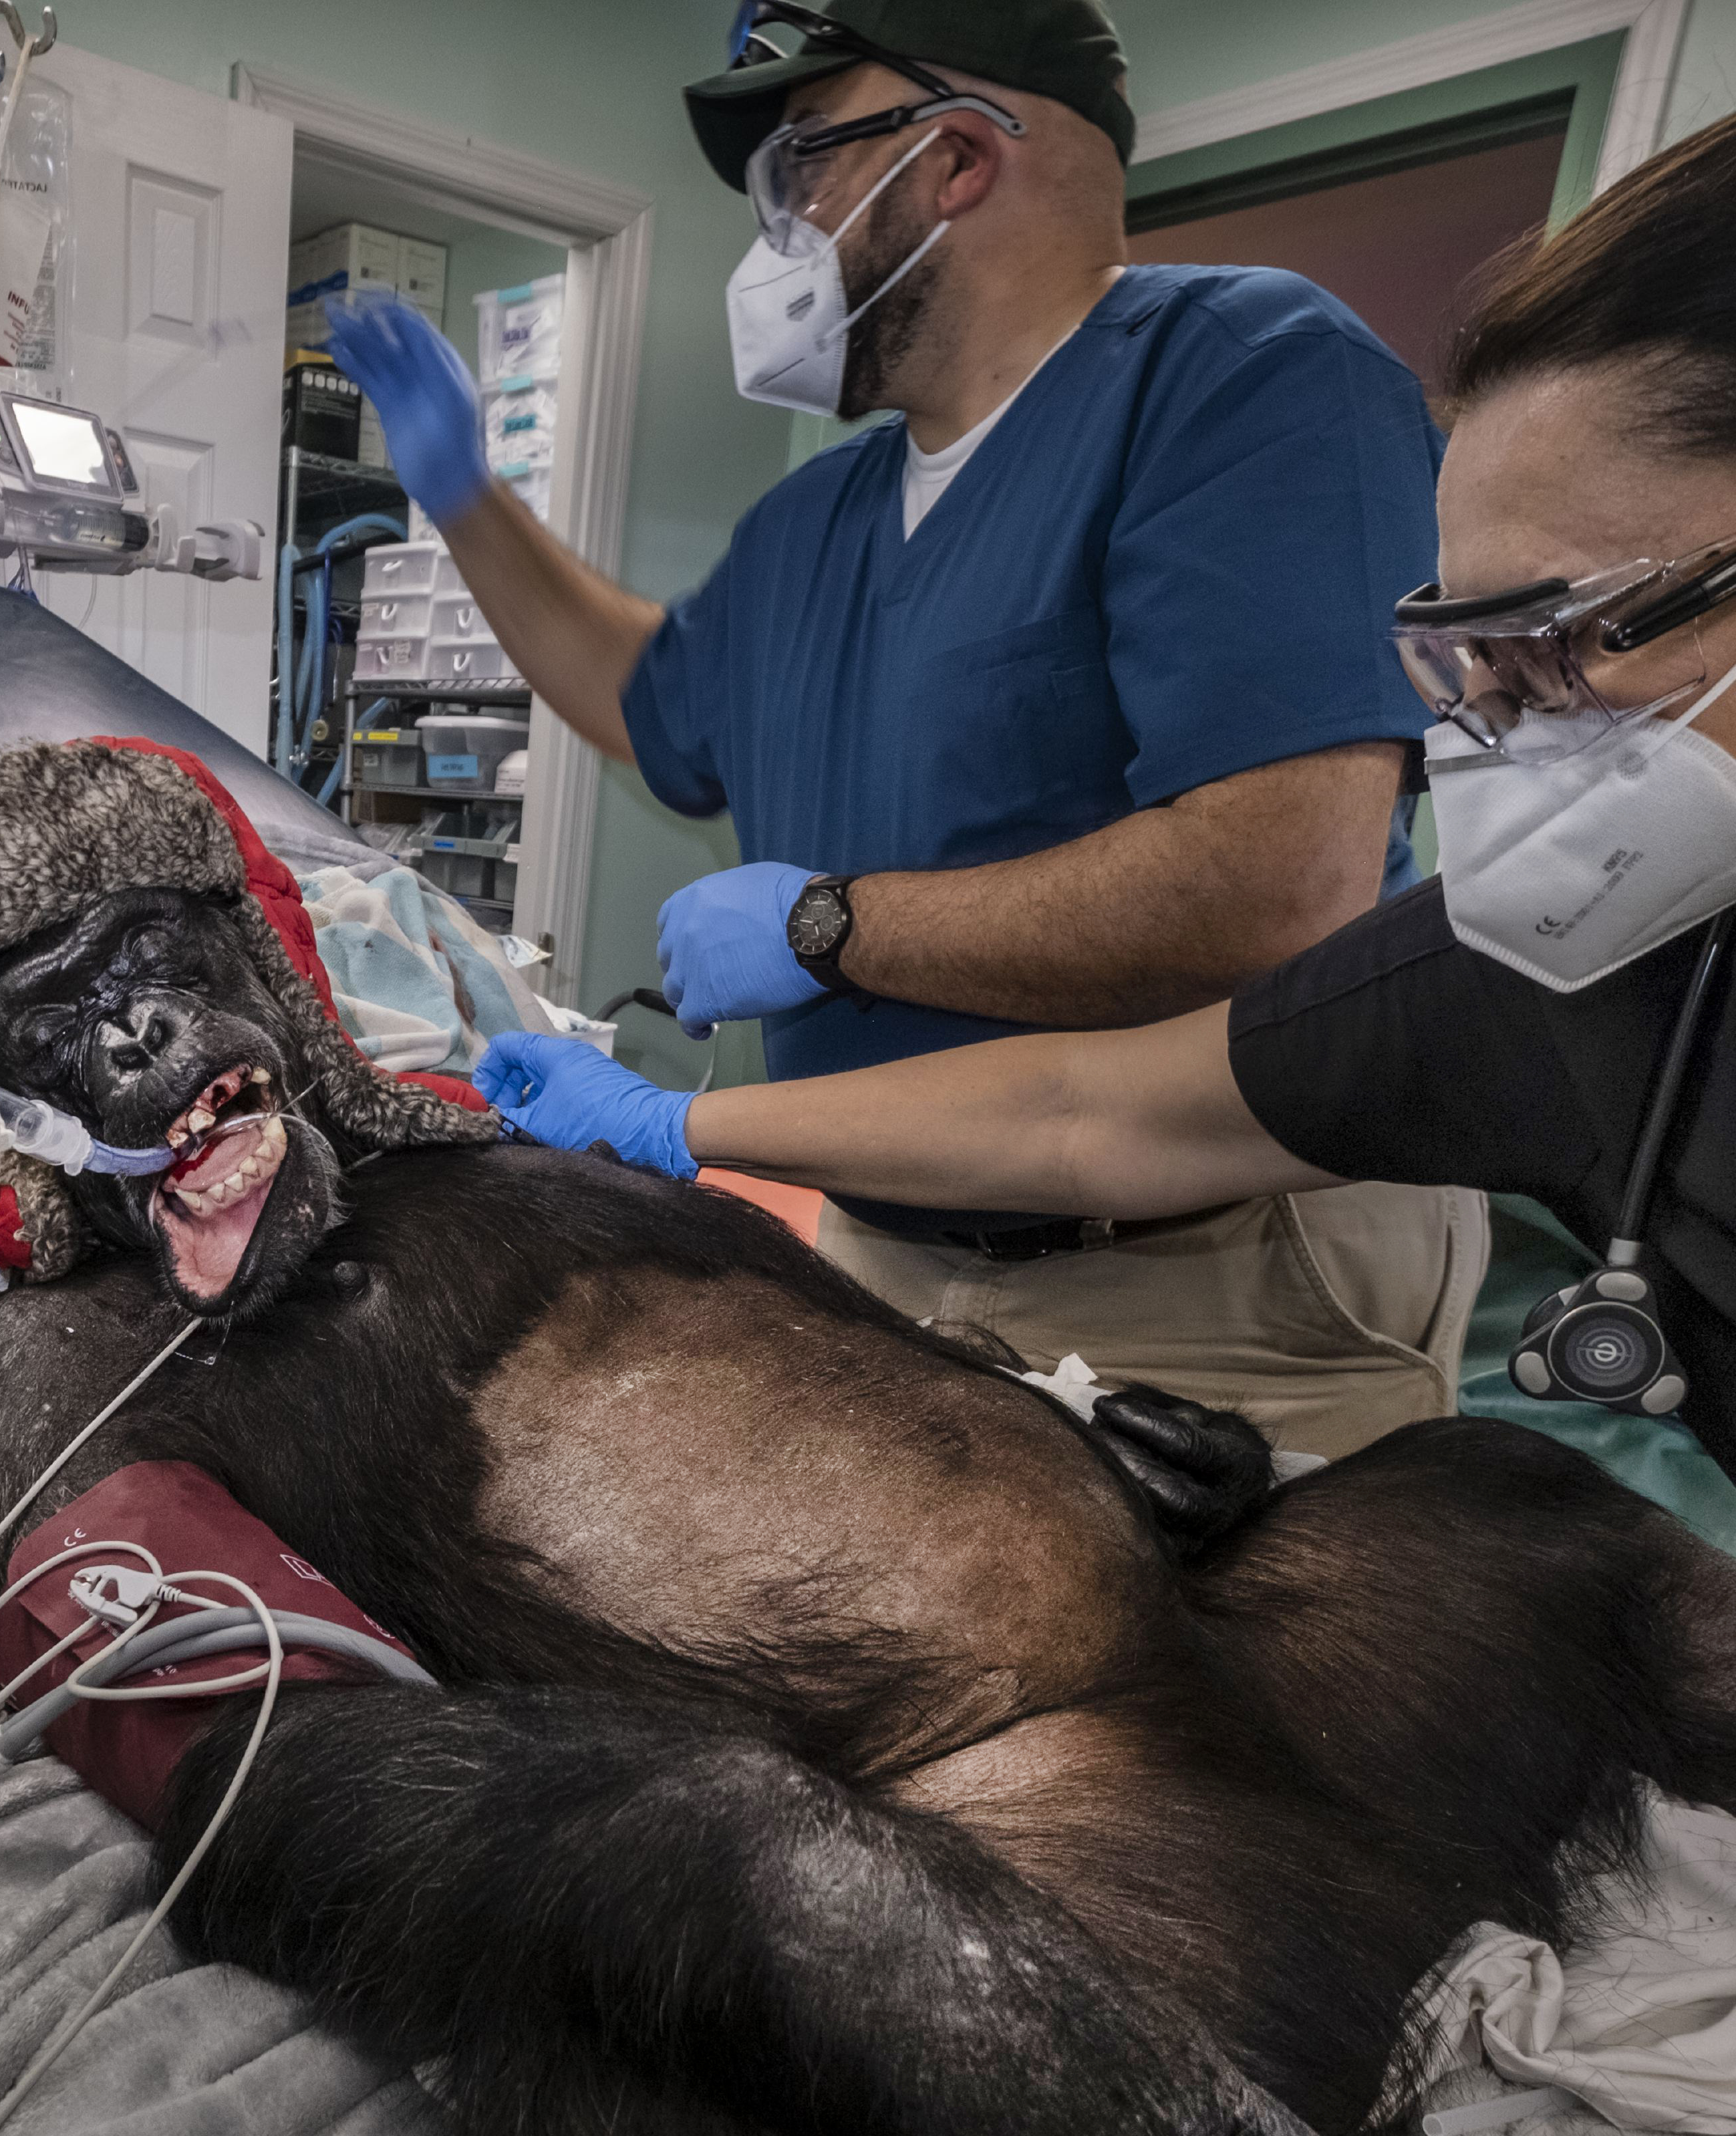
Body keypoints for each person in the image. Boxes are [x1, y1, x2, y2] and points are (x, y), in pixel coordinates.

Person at [481, 53, 1736, 1905]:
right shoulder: (1624, 958)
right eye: (1458, 658)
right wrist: (664, 1118)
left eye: (1568, 638)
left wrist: (837, 927)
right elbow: (1111, 1100)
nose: (1501, 743)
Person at [325, 0, 1483, 1459]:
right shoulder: (818, 515)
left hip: (1214, 1267)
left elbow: (1278, 884)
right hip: (882, 1242)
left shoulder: (1246, 377)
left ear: (950, 161)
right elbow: (648, 698)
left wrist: (830, 928)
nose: (782, 231)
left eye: (803, 168)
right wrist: (466, 500)